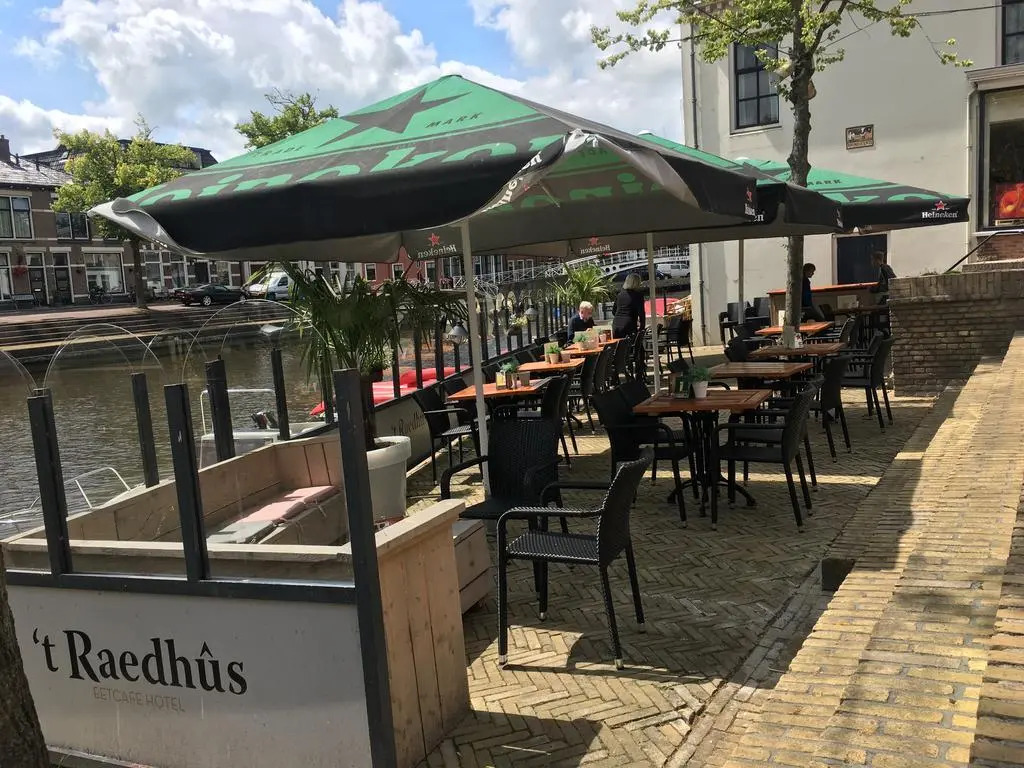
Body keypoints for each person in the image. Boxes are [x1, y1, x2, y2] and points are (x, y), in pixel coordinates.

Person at [612, 273, 646, 339]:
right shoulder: (638, 295)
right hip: (629, 324)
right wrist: (642, 328)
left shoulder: (620, 295)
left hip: (616, 324)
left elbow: (614, 311)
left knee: (619, 344)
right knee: (632, 343)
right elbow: (641, 313)